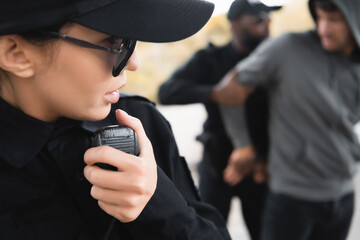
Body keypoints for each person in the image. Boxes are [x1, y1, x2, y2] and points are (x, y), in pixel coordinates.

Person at [0, 0, 233, 239]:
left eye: (131, 41)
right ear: (16, 54)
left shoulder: (140, 121)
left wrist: (159, 205)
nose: (134, 63)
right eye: (115, 42)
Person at [215, 0, 360, 239]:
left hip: (343, 195)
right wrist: (243, 145)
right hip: (291, 199)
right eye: (320, 17)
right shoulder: (288, 48)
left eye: (333, 20)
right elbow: (231, 87)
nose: (323, 28)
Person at [158, 1, 280, 239]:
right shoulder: (210, 58)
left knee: (265, 231)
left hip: (259, 165)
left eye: (268, 18)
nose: (266, 23)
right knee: (207, 229)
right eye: (257, 18)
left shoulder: (273, 62)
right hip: (217, 164)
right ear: (235, 23)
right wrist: (214, 93)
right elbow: (167, 91)